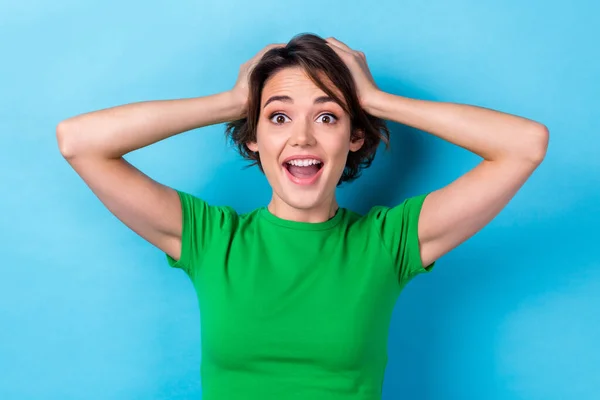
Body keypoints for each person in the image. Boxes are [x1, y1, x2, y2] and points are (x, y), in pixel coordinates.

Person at [56, 33, 549, 400]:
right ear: (254, 137)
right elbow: (79, 142)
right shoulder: (212, 239)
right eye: (278, 116)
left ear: (355, 137)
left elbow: (525, 145)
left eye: (328, 116)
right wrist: (231, 102)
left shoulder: (388, 244)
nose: (303, 138)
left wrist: (375, 101)